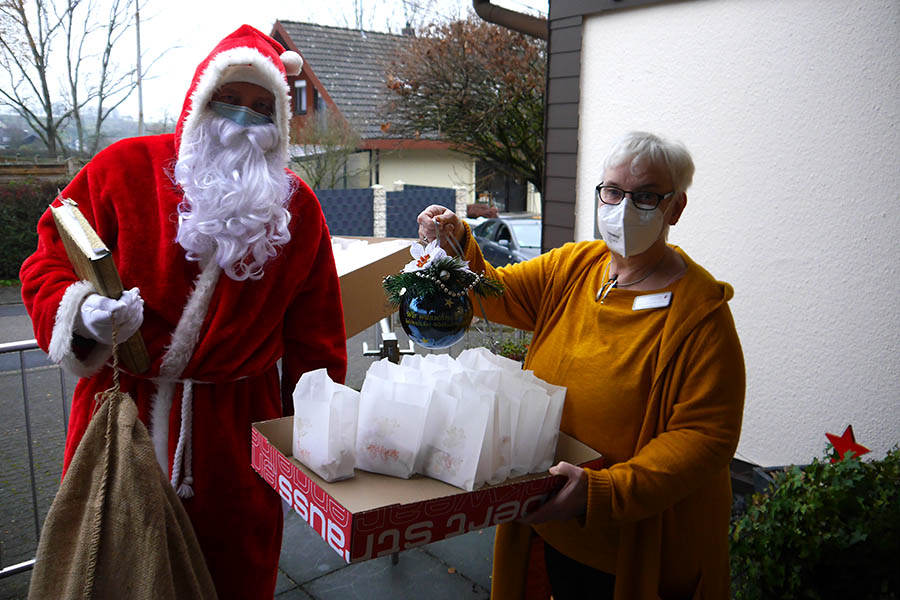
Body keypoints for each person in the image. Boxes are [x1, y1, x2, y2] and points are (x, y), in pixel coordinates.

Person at [20, 25, 347, 599]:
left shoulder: (299, 208)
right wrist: (82, 315)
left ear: (280, 124)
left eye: (261, 106)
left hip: (235, 438)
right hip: (120, 411)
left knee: (230, 577)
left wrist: (312, 447)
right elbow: (47, 260)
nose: (243, 120)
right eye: (230, 99)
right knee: (108, 570)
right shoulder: (122, 168)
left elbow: (317, 343)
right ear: (201, 98)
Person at [417, 131, 745, 600]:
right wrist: (455, 243)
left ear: (675, 208)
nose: (623, 209)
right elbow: (494, 291)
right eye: (612, 192)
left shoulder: (700, 313)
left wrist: (603, 493)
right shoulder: (574, 267)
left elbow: (705, 438)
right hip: (548, 527)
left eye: (646, 196)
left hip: (632, 551)